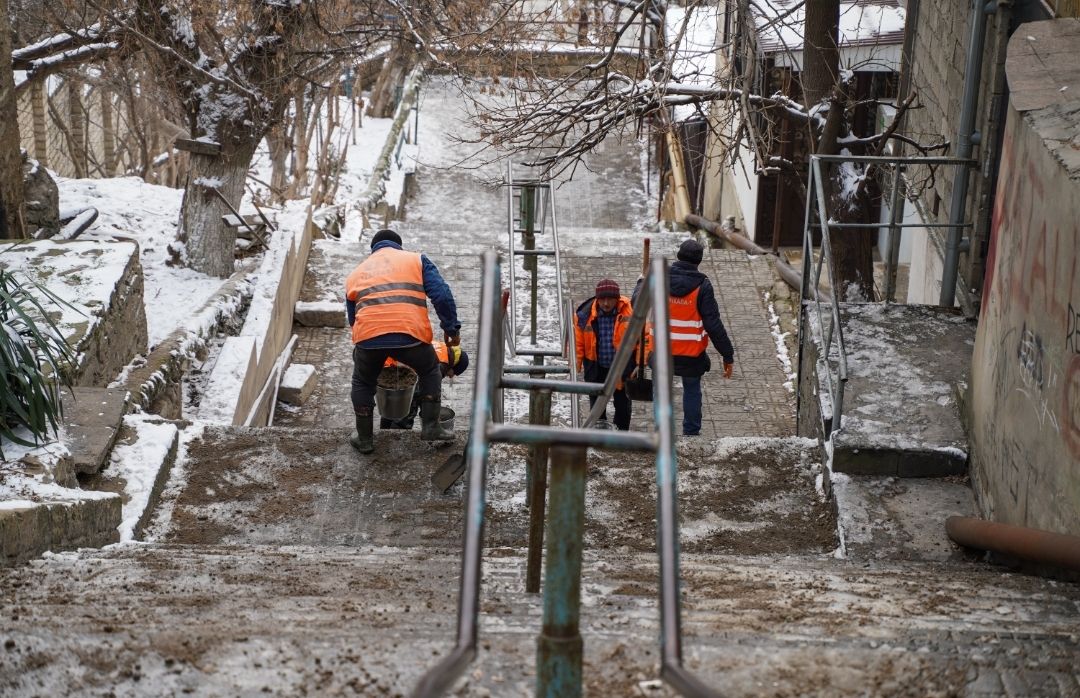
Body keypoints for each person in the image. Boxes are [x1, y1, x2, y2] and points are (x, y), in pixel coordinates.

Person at [345, 229, 461, 454]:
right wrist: (451, 329)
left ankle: (365, 439)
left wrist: (371, 342)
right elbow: (442, 294)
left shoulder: (356, 273)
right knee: (429, 370)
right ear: (399, 246)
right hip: (411, 336)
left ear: (373, 249)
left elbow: (353, 317)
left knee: (362, 381)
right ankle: (431, 427)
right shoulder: (416, 260)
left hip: (368, 338)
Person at [637, 238, 734, 436]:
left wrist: (641, 281)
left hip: (662, 352)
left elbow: (636, 303)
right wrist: (727, 354)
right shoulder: (703, 287)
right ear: (699, 261)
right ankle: (691, 433)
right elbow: (713, 325)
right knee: (691, 390)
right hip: (691, 355)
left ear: (679, 256)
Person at [574, 278, 645, 430]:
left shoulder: (630, 312)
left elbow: (642, 338)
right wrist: (575, 365)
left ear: (617, 299)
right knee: (597, 407)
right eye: (602, 299)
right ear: (597, 299)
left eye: (610, 299)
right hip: (596, 367)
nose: (606, 303)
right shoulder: (584, 315)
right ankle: (599, 435)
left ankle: (621, 437)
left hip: (622, 367)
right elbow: (578, 343)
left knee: (623, 405)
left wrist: (640, 363)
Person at [380, 341, 469, 430]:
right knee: (405, 413)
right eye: (455, 373)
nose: (451, 376)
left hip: (388, 364)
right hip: (399, 371)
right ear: (454, 366)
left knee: (390, 406)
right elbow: (424, 390)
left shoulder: (442, 347)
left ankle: (383, 435)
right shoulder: (442, 364)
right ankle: (396, 438)